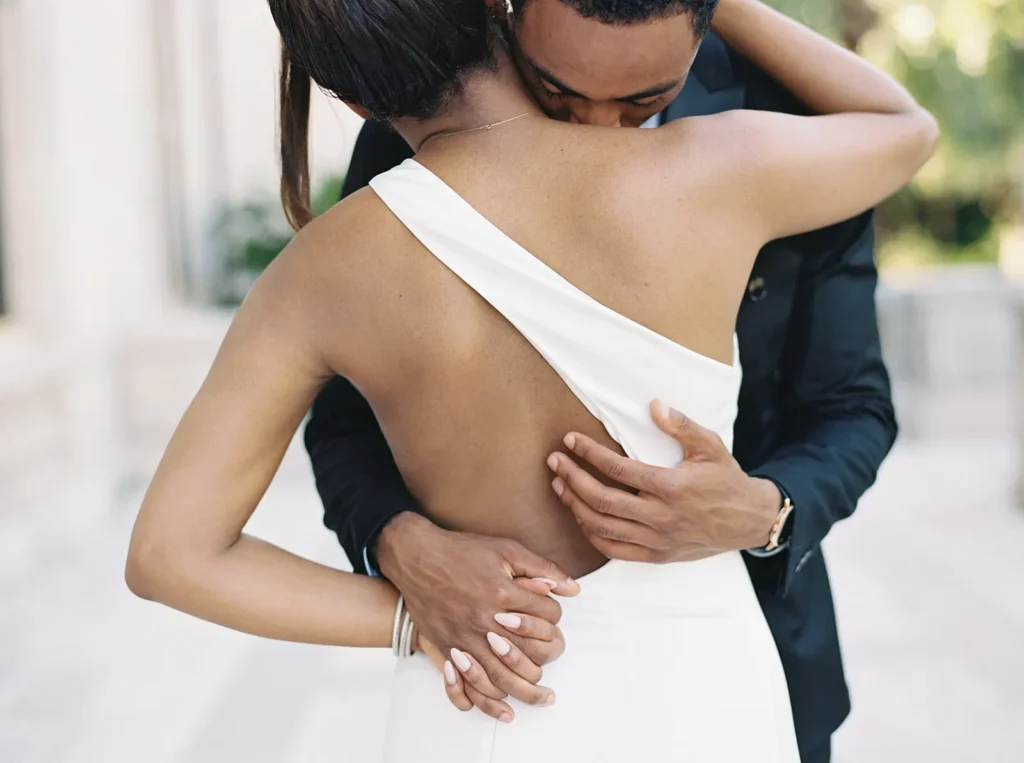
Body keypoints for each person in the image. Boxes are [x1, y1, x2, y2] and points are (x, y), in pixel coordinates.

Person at [125, 0, 936, 759]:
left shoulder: (316, 273)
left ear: (347, 95)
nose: (598, 120)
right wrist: (401, 550)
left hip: (485, 691)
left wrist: (409, 622)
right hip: (704, 681)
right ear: (499, 10)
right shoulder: (720, 167)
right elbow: (904, 127)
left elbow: (168, 554)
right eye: (562, 89)